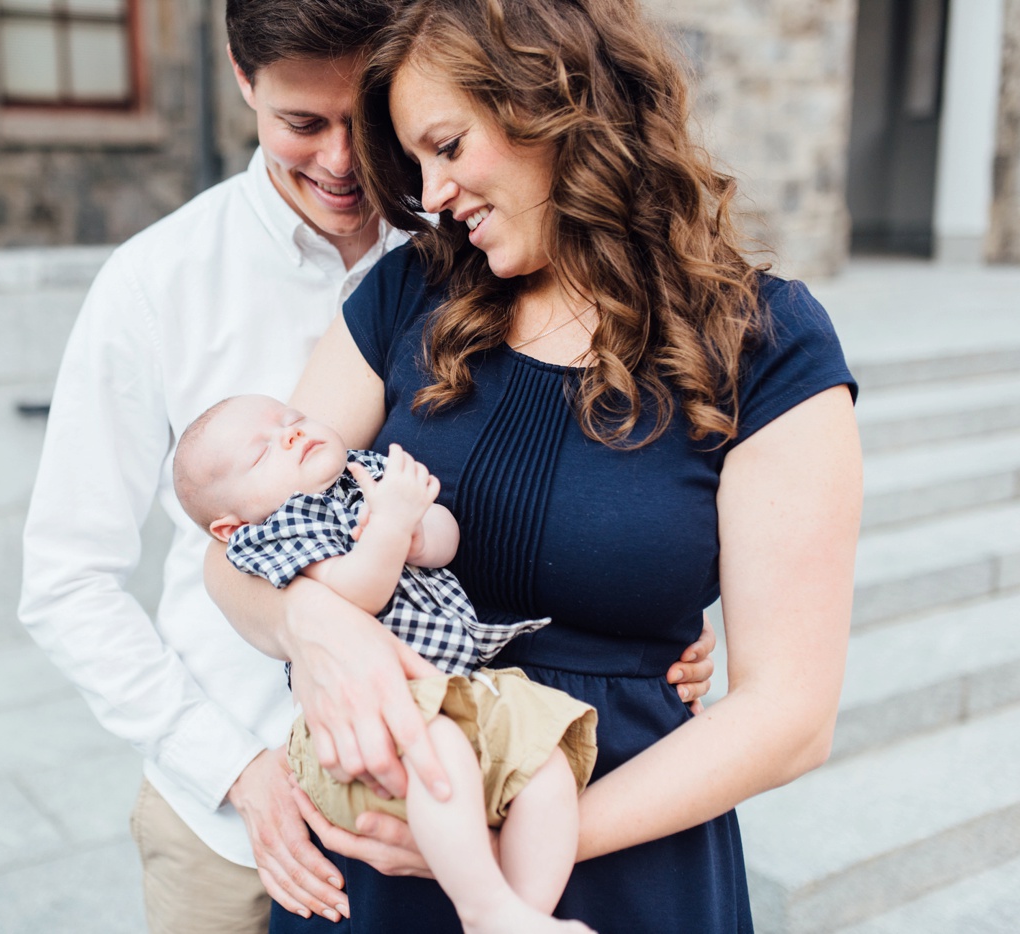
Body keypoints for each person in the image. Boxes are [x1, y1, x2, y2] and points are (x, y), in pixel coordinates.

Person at [19, 1, 716, 931]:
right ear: (241, 78)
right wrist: (237, 771)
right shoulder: (157, 284)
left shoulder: (465, 239)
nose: (345, 164)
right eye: (302, 125)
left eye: (368, 125)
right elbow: (67, 579)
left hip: (442, 786)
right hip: (235, 816)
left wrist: (643, 611)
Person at [203, 0, 862, 931]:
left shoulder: (767, 345)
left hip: (618, 850)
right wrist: (311, 619)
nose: (430, 196)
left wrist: (503, 847)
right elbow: (232, 547)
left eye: (448, 146)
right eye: (417, 163)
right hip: (392, 839)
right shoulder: (408, 294)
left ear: (555, 104)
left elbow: (791, 715)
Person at [173, 393, 599, 933]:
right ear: (228, 526)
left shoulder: (365, 471)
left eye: (292, 418)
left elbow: (446, 538)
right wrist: (393, 525)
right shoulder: (272, 533)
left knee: (544, 759)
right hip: (361, 716)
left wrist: (421, 532)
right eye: (261, 454)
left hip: (454, 687)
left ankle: (523, 914)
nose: (290, 434)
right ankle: (486, 910)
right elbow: (356, 592)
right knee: (437, 750)